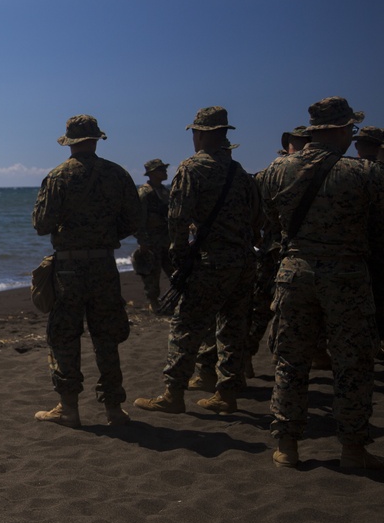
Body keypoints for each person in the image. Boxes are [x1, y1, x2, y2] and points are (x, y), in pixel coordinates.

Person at [260, 96, 384, 470]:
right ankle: (352, 447)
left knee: (290, 360)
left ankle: (287, 445)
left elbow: (270, 220)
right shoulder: (363, 173)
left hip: (293, 272)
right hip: (346, 274)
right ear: (344, 129)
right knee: (352, 363)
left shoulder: (276, 170)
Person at [134, 106, 260, 415]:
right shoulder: (240, 172)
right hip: (243, 261)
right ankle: (227, 393)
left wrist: (179, 257)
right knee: (232, 327)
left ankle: (172, 394)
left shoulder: (192, 168)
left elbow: (177, 219)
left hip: (210, 261)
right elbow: (258, 217)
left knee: (185, 324)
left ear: (201, 133)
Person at [32, 114, 140, 427]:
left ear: (69, 142)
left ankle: (69, 408)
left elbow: (41, 224)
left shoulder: (58, 176)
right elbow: (135, 218)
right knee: (106, 336)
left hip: (69, 266)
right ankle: (114, 409)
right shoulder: (117, 174)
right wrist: (105, 234)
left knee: (65, 335)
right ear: (95, 139)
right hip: (104, 263)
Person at [245, 127, 313, 375]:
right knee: (262, 307)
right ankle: (247, 356)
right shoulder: (270, 174)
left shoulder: (272, 174)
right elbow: (252, 212)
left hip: (291, 253)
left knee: (286, 311)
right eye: (297, 143)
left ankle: (271, 356)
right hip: (275, 251)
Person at [134, 159, 174, 313]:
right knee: (152, 274)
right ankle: (153, 303)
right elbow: (139, 219)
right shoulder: (145, 192)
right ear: (151, 173)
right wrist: (142, 241)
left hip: (166, 238)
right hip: (152, 240)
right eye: (160, 170)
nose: (164, 172)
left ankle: (173, 301)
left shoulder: (165, 191)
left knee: (174, 271)